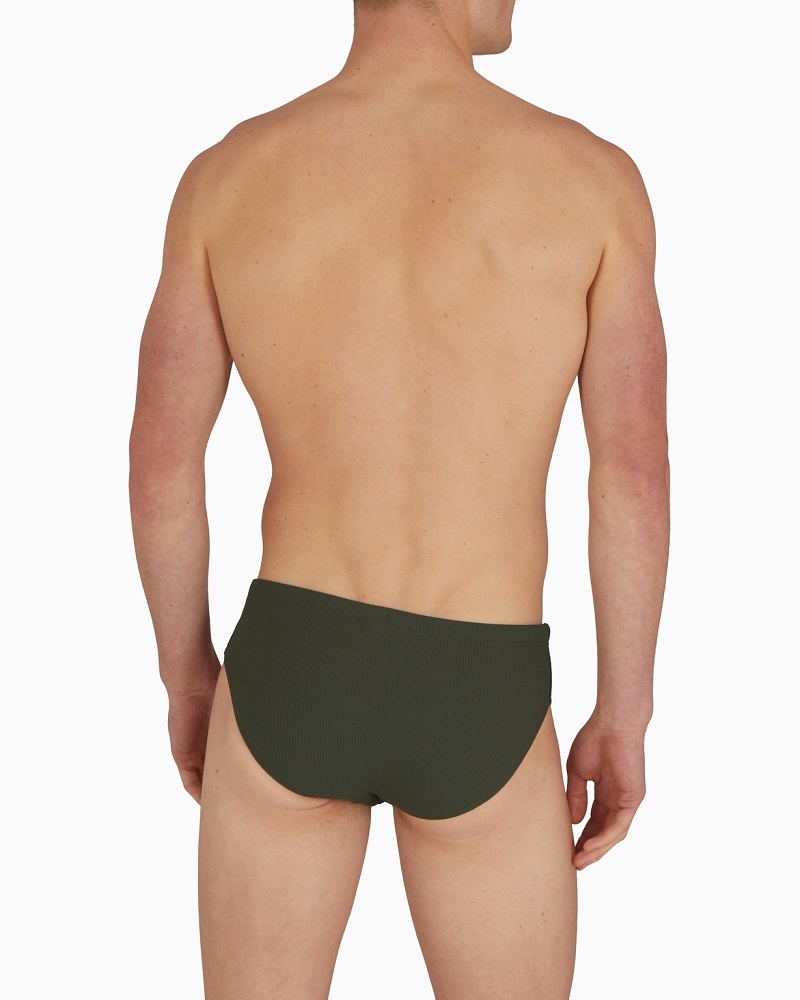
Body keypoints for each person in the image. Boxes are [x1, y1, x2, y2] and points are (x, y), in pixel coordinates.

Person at [128, 0, 670, 996]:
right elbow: (629, 478)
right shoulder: (591, 180)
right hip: (481, 678)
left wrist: (188, 677)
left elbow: (163, 468)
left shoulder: (226, 177)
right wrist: (623, 711)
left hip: (292, 661)